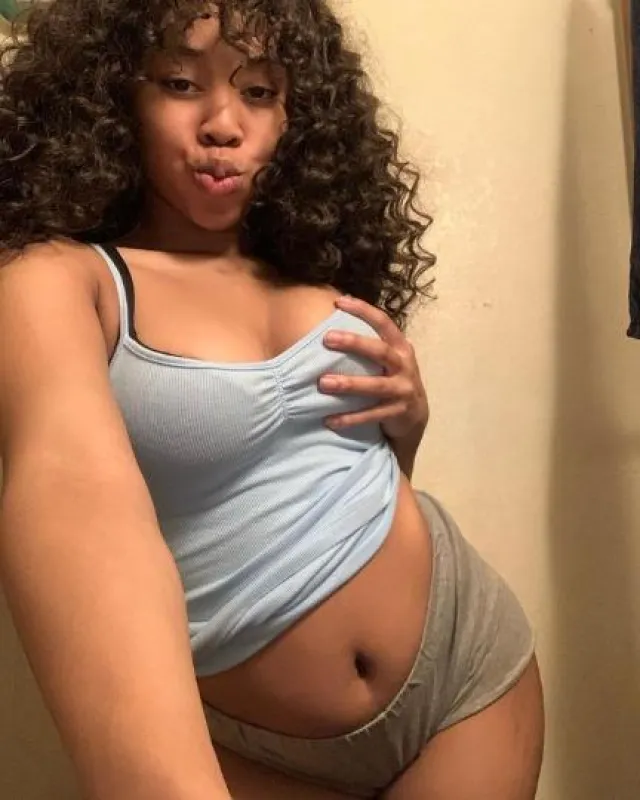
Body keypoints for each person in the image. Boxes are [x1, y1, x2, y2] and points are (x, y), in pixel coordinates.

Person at [0, 1, 544, 798]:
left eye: (259, 91)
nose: (224, 124)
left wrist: (406, 432)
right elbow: (70, 491)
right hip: (260, 749)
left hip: (471, 671)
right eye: (182, 83)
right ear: (115, 95)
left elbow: (310, 494)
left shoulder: (309, 272)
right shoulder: (61, 279)